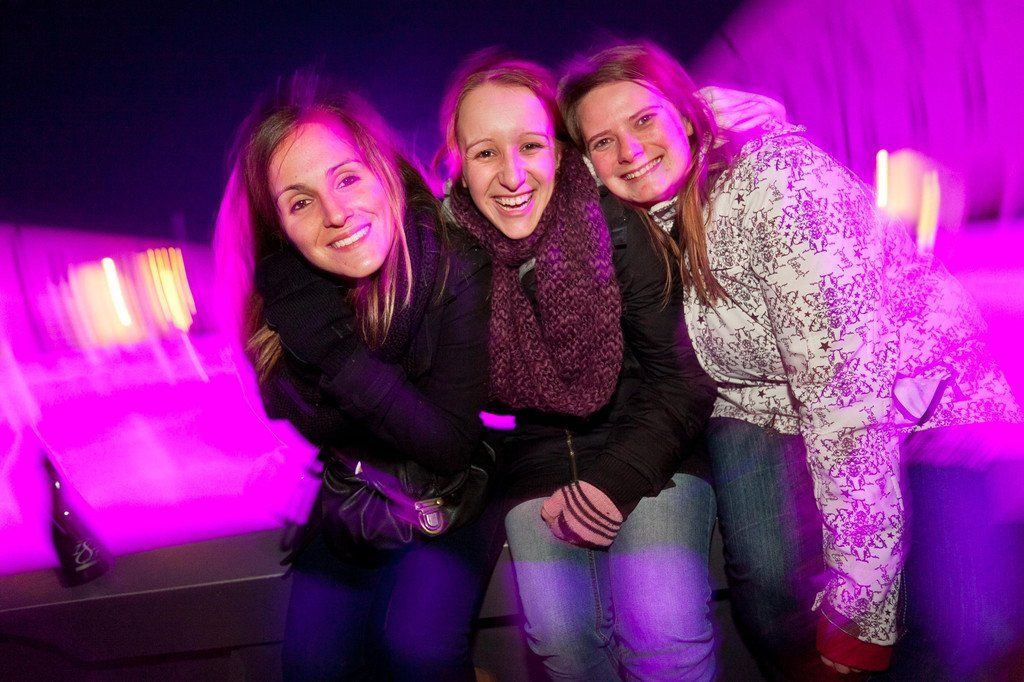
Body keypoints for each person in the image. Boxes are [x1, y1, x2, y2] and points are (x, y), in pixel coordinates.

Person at [559, 41, 1024, 678]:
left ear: (684, 117)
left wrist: (860, 607)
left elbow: (845, 397)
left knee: (959, 631)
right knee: (772, 594)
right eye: (603, 141)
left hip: (925, 391)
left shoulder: (780, 187)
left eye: (643, 119)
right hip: (760, 401)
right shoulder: (631, 223)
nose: (630, 150)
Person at [437, 52, 718, 681]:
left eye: (531, 146)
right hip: (536, 461)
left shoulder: (613, 223)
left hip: (653, 444)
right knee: (561, 639)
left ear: (560, 153)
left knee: (662, 623)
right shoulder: (453, 258)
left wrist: (611, 484)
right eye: (485, 153)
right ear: (460, 164)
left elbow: (680, 383)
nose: (512, 175)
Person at [215, 74, 505, 681]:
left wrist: (336, 354)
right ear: (280, 229)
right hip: (354, 502)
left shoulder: (453, 263)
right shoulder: (286, 300)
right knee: (311, 665)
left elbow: (448, 444)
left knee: (419, 649)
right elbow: (290, 413)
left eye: (346, 178)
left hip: (452, 495)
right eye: (299, 202)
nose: (336, 213)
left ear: (383, 171)